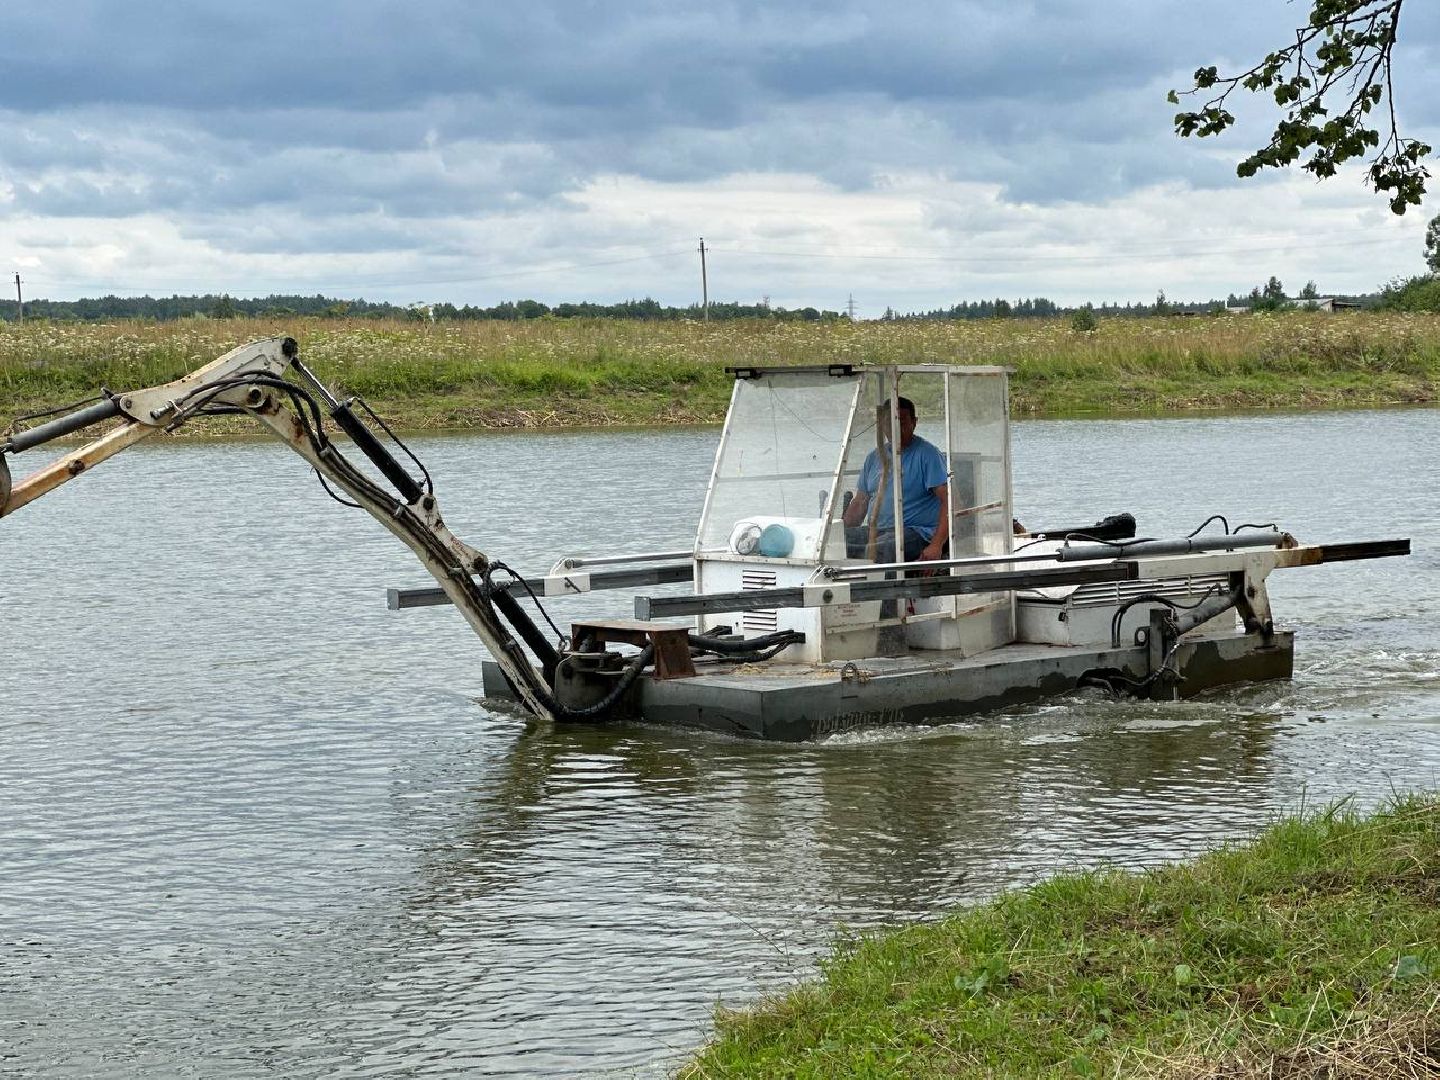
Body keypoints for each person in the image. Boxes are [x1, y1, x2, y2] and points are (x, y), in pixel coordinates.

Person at [842, 397, 949, 563]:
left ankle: (875, 588)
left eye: (902, 421)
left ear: (915, 422)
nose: (895, 427)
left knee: (879, 549)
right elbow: (860, 501)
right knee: (837, 543)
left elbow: (948, 501)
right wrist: (835, 531)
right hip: (877, 530)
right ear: (882, 425)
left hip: (915, 532)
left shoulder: (928, 455)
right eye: (889, 422)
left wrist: (936, 545)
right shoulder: (874, 457)